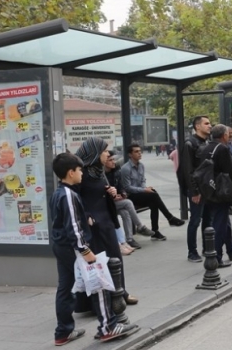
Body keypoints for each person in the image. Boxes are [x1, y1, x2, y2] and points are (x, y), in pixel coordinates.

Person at [50, 152, 139, 345]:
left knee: (65, 288)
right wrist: (85, 251)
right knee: (99, 284)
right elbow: (73, 227)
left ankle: (63, 332)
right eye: (80, 170)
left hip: (62, 247)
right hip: (75, 248)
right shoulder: (69, 195)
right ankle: (108, 327)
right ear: (71, 172)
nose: (82, 173)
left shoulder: (58, 193)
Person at [74, 138, 138, 310]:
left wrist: (112, 191)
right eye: (104, 151)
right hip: (92, 226)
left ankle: (120, 292)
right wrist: (86, 216)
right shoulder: (80, 173)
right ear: (94, 153)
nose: (107, 154)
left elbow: (102, 191)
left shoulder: (99, 171)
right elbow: (75, 198)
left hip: (106, 221)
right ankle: (100, 303)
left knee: (114, 258)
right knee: (98, 263)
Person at [199, 124, 232, 267]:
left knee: (223, 220)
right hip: (221, 191)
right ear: (224, 136)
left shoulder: (206, 148)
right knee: (219, 224)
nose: (229, 136)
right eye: (228, 134)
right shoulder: (222, 149)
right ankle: (216, 257)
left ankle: (231, 249)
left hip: (208, 190)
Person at [121, 143, 184, 242]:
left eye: (140, 151)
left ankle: (155, 231)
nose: (139, 153)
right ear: (130, 154)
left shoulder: (141, 166)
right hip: (130, 196)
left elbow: (142, 181)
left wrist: (144, 189)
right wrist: (144, 190)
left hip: (140, 194)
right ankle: (170, 218)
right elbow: (127, 188)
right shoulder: (125, 169)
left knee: (153, 202)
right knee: (153, 195)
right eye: (136, 152)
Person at [105, 151, 153, 251]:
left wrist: (122, 194)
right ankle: (140, 226)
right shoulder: (102, 176)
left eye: (113, 159)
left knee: (125, 212)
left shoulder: (116, 172)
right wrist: (113, 197)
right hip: (106, 204)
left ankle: (129, 239)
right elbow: (102, 193)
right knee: (128, 203)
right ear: (104, 162)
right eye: (110, 160)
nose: (113, 162)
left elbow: (121, 187)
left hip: (115, 203)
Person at [179, 115, 211, 263]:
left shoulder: (207, 142)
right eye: (206, 123)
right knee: (195, 220)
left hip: (207, 187)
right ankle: (192, 252)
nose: (209, 126)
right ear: (197, 126)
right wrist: (194, 191)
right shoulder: (189, 144)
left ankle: (207, 247)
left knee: (208, 219)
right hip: (197, 189)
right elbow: (188, 170)